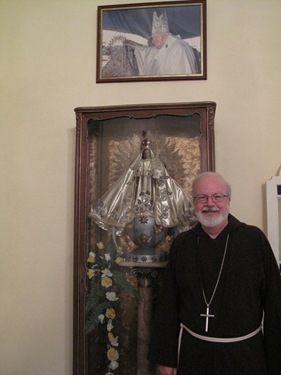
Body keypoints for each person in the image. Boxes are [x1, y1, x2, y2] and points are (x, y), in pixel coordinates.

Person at [148, 172, 281, 375]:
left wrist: (276, 362)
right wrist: (165, 357)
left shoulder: (254, 240)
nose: (210, 203)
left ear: (228, 200)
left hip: (245, 356)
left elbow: (275, 303)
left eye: (217, 197)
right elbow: (168, 304)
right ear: (194, 202)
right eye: (202, 197)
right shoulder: (182, 244)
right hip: (193, 355)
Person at [89, 132, 195, 237]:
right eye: (144, 152)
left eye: (148, 152)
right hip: (140, 188)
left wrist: (156, 173)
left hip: (153, 188)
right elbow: (129, 178)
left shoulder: (157, 164)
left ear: (151, 153)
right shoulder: (137, 164)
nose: (146, 154)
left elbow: (163, 177)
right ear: (142, 153)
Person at [126, 10, 199, 76]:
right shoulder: (170, 45)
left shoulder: (178, 49)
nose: (153, 42)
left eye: (154, 38)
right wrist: (137, 47)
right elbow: (150, 51)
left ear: (161, 37)